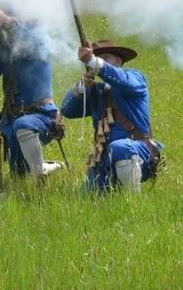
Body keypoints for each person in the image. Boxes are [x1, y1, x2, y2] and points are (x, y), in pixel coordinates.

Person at [60, 40, 163, 192]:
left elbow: (122, 80)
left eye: (106, 57)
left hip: (138, 151)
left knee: (119, 147)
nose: (102, 60)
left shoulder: (134, 77)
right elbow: (67, 110)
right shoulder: (97, 91)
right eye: (99, 57)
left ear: (119, 60)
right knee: (85, 197)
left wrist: (93, 61)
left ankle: (134, 202)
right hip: (103, 160)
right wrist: (81, 86)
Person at [0, 5, 64, 182]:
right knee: (19, 176)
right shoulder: (6, 49)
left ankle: (41, 174)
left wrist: (7, 21)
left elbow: (27, 40)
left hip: (42, 115)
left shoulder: (40, 41)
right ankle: (49, 166)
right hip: (11, 121)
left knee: (24, 125)